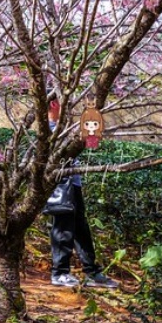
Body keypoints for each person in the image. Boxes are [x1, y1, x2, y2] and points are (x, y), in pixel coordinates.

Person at [47, 96, 118, 289]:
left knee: (80, 229)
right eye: (63, 103)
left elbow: (90, 142)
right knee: (63, 229)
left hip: (73, 184)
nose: (67, 108)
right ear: (54, 104)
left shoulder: (61, 128)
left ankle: (92, 272)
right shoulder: (49, 130)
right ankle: (60, 273)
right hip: (61, 186)